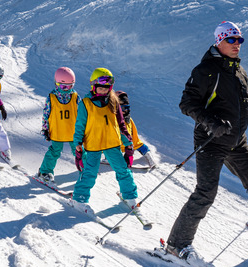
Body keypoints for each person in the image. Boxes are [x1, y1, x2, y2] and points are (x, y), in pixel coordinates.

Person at [164, 21, 248, 267]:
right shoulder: (205, 70)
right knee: (206, 193)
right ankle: (176, 245)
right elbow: (187, 103)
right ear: (219, 41)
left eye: (239, 40)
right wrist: (210, 121)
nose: (237, 44)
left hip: (237, 142)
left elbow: (245, 97)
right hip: (211, 142)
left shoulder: (238, 70)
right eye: (231, 40)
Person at [70, 68, 139, 215]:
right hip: (93, 144)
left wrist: (128, 144)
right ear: (93, 86)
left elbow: (121, 125)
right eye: (100, 88)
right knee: (90, 173)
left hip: (112, 144)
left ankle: (130, 196)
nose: (103, 91)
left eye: (106, 88)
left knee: (123, 170)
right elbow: (79, 126)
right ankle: (79, 199)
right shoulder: (85, 103)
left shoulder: (114, 101)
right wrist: (78, 144)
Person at [36, 67, 79, 186]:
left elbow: (81, 114)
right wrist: (45, 128)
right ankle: (44, 172)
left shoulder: (75, 96)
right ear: (57, 84)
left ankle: (85, 169)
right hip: (57, 131)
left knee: (79, 151)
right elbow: (46, 114)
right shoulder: (52, 97)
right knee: (55, 151)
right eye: (63, 87)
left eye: (70, 86)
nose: (66, 90)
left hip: (73, 131)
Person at [115, 90, 157, 169]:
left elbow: (134, 137)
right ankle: (109, 158)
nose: (125, 111)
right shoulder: (111, 120)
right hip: (113, 147)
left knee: (143, 147)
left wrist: (136, 145)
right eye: (122, 108)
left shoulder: (129, 120)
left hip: (128, 145)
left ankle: (150, 158)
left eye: (127, 108)